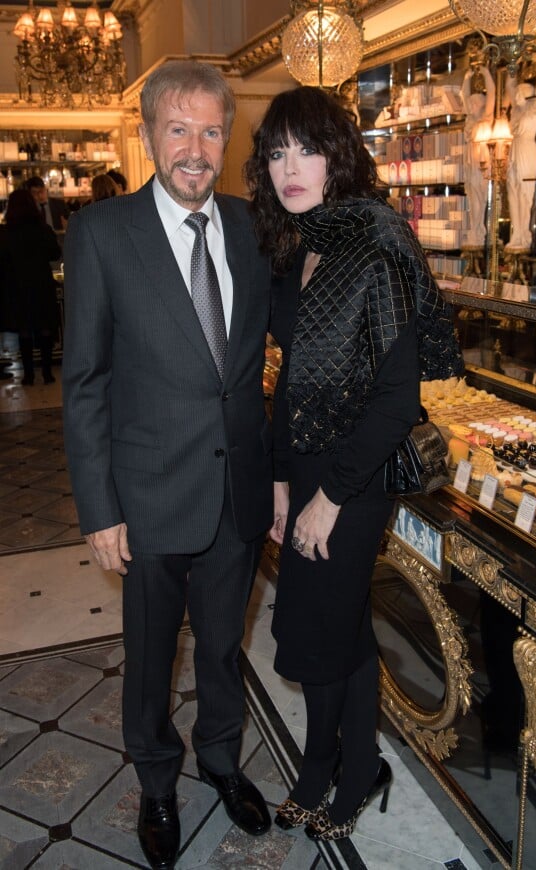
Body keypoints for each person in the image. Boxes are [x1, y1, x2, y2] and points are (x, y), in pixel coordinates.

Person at [62, 60, 273, 870]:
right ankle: (156, 779)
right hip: (145, 494)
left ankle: (221, 760)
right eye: (178, 129)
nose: (195, 148)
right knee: (152, 653)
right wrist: (98, 506)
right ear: (150, 133)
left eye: (211, 130)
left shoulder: (253, 228)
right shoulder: (103, 233)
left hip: (238, 490)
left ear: (227, 137)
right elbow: (84, 381)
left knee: (222, 646)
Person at [244, 87, 463, 841]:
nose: (290, 168)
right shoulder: (293, 246)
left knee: (327, 631)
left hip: (355, 477)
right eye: (276, 153)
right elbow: (288, 377)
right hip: (303, 471)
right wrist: (280, 483)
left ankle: (346, 767)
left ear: (338, 156)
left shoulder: (376, 241)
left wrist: (328, 498)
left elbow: (397, 401)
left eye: (306, 149)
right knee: (327, 632)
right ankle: (333, 763)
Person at [0, 187, 61, 385]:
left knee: (24, 331)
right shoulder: (42, 229)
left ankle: (28, 374)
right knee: (44, 328)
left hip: (17, 287)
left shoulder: (6, 232)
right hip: (42, 284)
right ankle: (47, 372)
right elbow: (55, 253)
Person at [504, 49, 536, 251]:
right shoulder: (517, 112)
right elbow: (508, 85)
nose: (518, 94)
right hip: (514, 150)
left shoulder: (534, 108)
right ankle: (516, 233)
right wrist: (515, 63)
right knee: (512, 192)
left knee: (524, 194)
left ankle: (524, 235)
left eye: (523, 92)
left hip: (527, 151)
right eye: (518, 92)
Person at [461, 62, 495, 247]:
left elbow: (492, 94)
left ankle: (478, 229)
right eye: (471, 103)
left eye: (475, 103)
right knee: (472, 195)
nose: (471, 105)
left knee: (479, 196)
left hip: (481, 159)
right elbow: (465, 96)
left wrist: (486, 73)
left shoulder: (485, 117)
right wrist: (467, 78)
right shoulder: (471, 119)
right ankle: (474, 229)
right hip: (470, 160)